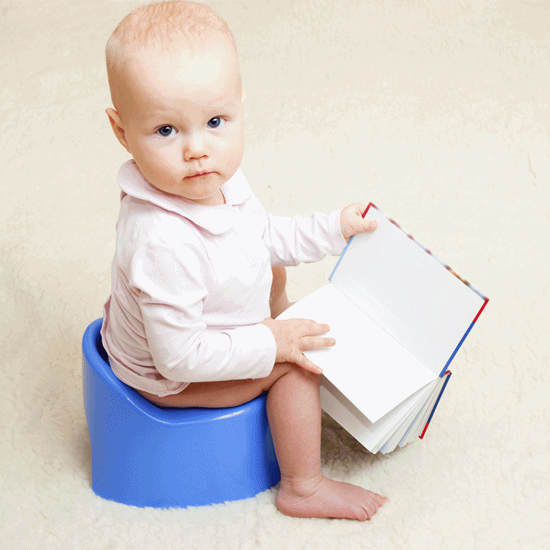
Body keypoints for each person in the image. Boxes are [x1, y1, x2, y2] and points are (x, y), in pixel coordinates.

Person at [101, 0, 387, 521]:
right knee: (296, 371)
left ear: (239, 105)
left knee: (272, 266)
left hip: (194, 323)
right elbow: (179, 358)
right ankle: (304, 487)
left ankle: (269, 336)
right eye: (166, 130)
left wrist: (335, 227)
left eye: (215, 121)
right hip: (171, 376)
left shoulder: (220, 180)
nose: (197, 150)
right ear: (122, 131)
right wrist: (271, 344)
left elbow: (266, 235)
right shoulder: (161, 240)